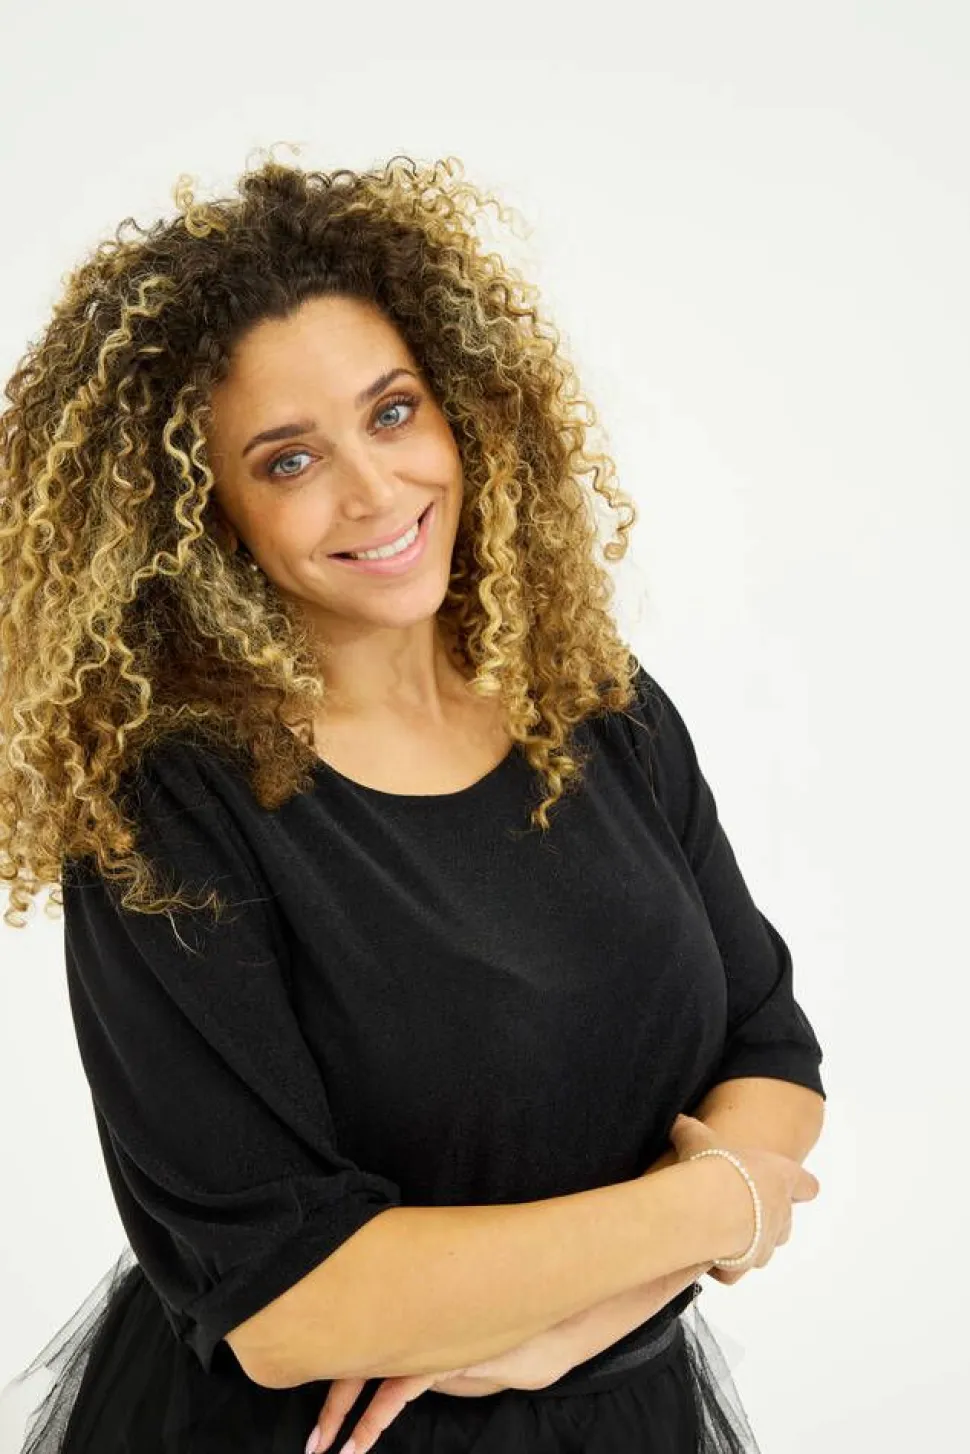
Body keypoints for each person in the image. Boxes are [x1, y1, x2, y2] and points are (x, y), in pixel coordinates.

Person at [0, 148, 826, 1453]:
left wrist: (564, 1334)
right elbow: (283, 1300)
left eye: (392, 413)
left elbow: (767, 1048)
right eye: (288, 460)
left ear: (462, 407)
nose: (375, 491)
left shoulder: (592, 700)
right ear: (201, 516)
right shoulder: (172, 806)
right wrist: (714, 1208)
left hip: (618, 1407)